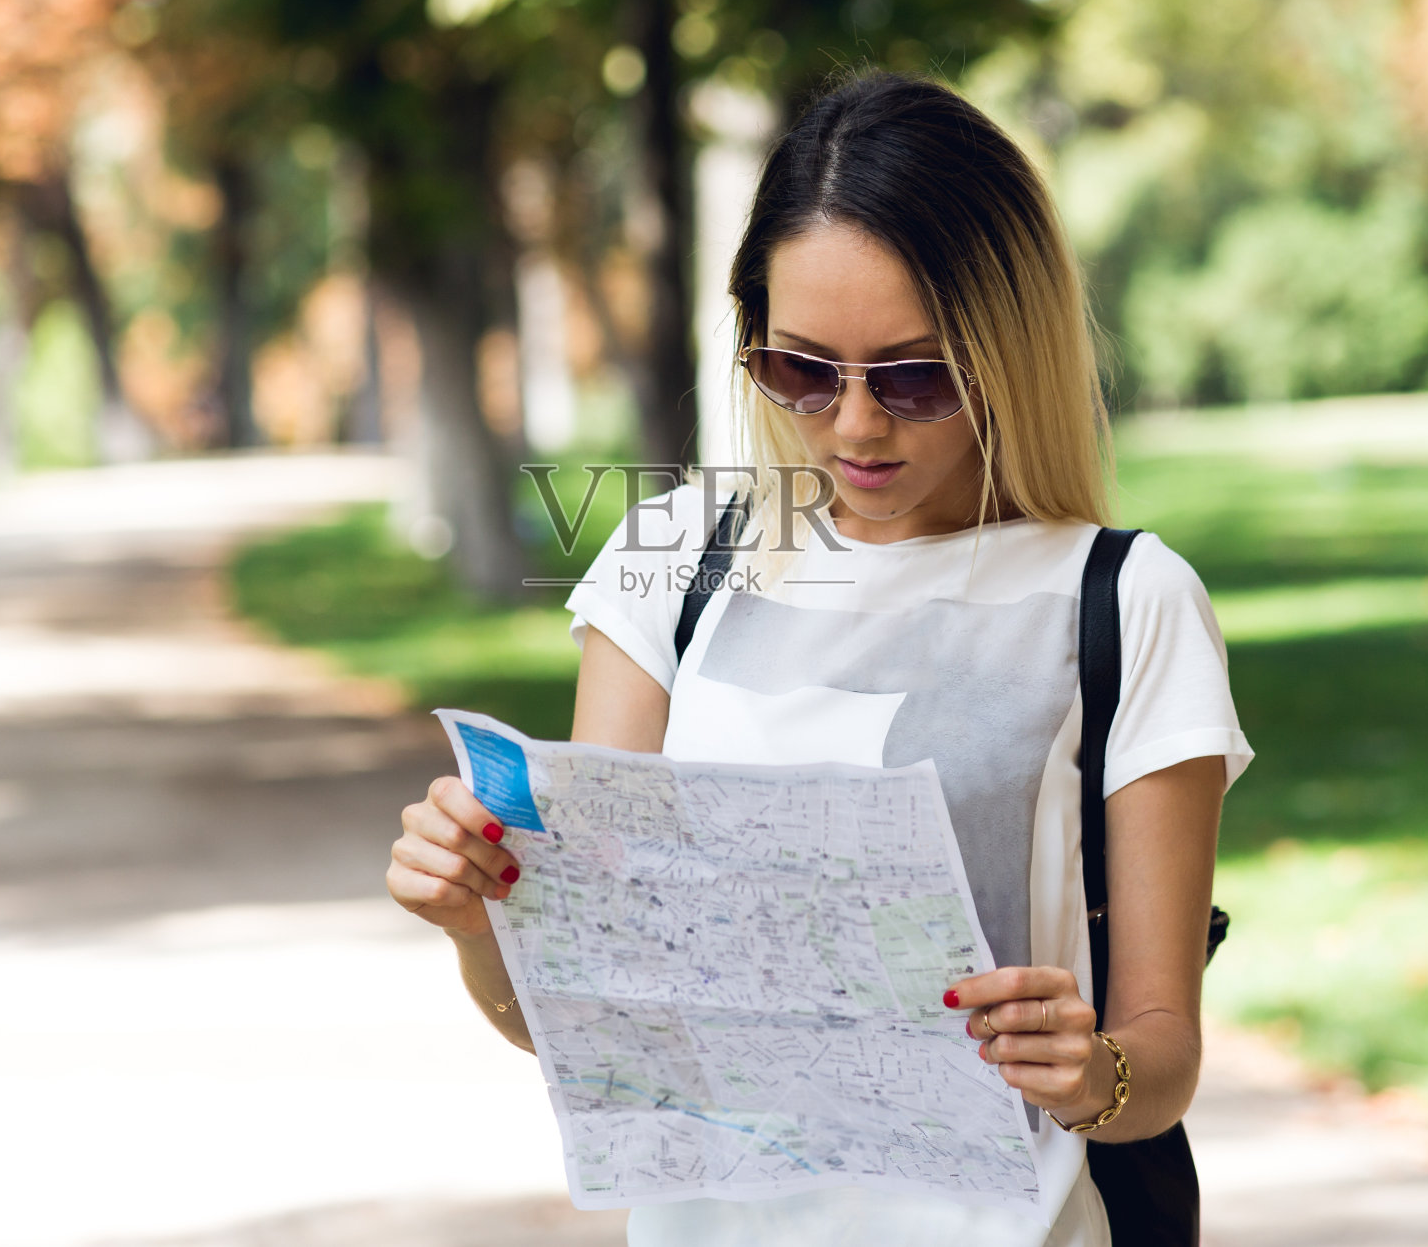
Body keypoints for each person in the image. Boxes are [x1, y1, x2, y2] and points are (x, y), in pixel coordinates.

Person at [386, 68, 1253, 1247]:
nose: (854, 423)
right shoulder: (671, 558)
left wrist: (1090, 1068)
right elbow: (591, 1030)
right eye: (800, 368)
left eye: (914, 374)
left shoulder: (1126, 598)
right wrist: (477, 923)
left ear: (1010, 343)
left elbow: (1161, 1061)